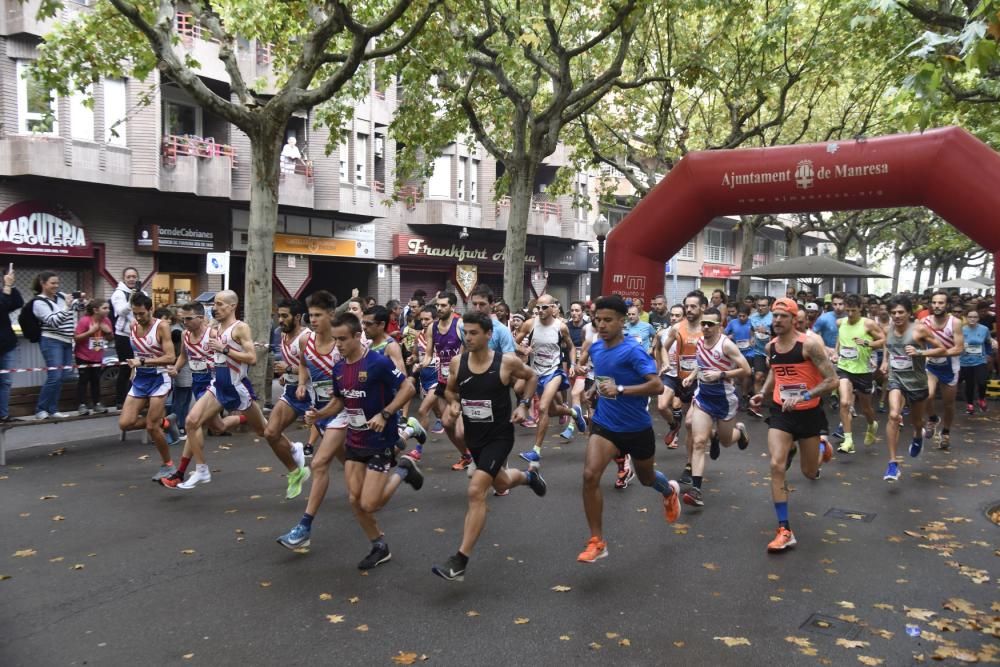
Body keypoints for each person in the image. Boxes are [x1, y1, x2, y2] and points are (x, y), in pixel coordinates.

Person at [431, 312, 547, 581]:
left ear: (488, 335)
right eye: (465, 333)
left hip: (499, 436)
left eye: (473, 333)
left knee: (475, 490)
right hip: (475, 436)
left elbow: (532, 377)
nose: (468, 337)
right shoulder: (458, 363)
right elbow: (449, 390)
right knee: (503, 483)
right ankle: (529, 476)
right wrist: (454, 403)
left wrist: (523, 404)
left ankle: (459, 561)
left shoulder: (505, 362)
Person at [303, 312, 420, 570]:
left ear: (358, 336)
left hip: (380, 441)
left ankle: (403, 469)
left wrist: (385, 413)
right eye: (335, 340)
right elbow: (339, 401)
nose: (338, 345)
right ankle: (379, 545)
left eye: (343, 339)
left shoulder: (377, 363)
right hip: (355, 441)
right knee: (355, 500)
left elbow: (408, 388)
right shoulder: (339, 368)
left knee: (370, 503)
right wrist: (319, 414)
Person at [577, 295, 682, 563]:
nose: (601, 325)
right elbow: (605, 379)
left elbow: (657, 386)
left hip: (636, 428)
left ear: (622, 321)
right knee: (590, 476)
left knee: (647, 478)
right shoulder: (598, 348)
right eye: (598, 319)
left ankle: (669, 491)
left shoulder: (633, 351)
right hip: (606, 424)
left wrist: (621, 389)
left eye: (608, 320)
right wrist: (593, 389)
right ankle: (597, 541)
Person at [160, 291, 296, 493]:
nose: (216, 307)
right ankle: (201, 469)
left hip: (236, 387)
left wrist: (224, 350)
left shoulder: (240, 327)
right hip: (218, 385)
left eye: (220, 304)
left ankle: (294, 450)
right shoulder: (215, 328)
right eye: (214, 304)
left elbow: (251, 358)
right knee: (192, 421)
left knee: (265, 432)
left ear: (232, 306)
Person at [749, 298, 838, 552]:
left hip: (808, 413)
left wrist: (805, 395)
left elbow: (832, 380)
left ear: (793, 318)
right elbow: (775, 372)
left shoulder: (809, 344)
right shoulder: (771, 347)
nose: (776, 320)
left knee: (810, 472)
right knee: (777, 464)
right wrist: (763, 394)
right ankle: (784, 529)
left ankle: (821, 447)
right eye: (774, 316)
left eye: (782, 316)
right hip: (781, 412)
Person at [277, 291, 352, 550]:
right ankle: (380, 482)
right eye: (311, 315)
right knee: (349, 463)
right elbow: (303, 364)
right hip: (318, 410)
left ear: (332, 315)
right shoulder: (304, 342)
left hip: (341, 411)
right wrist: (300, 383)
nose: (313, 320)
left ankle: (304, 527)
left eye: (319, 315)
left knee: (320, 463)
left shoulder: (342, 345)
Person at [679, 307, 751, 508]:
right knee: (699, 441)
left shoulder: (726, 345)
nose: (706, 327)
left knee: (727, 441)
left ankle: (740, 432)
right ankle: (696, 490)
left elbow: (746, 369)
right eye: (703, 323)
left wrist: (721, 375)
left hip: (725, 399)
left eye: (710, 324)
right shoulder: (701, 341)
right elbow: (700, 363)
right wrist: (692, 377)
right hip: (704, 398)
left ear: (720, 325)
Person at [881, 296, 947, 482]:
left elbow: (941, 349)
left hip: (917, 382)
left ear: (909, 312)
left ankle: (918, 435)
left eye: (901, 312)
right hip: (896, 379)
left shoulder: (919, 330)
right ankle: (893, 464)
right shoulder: (888, 329)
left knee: (916, 422)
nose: (897, 316)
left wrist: (920, 352)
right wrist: (885, 361)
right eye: (893, 313)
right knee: (894, 415)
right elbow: (888, 345)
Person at [116, 293, 179, 481]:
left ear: (150, 309)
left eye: (142, 313)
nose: (138, 317)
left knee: (152, 427)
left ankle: (168, 465)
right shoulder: (133, 326)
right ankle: (167, 423)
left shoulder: (162, 326)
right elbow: (137, 353)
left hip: (159, 378)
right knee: (125, 424)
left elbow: (170, 357)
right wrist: (134, 368)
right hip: (141, 379)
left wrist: (143, 361)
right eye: (135, 314)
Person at [515, 294, 585, 463]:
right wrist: (522, 349)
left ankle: (536, 451)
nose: (540, 311)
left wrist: (574, 363)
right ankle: (574, 412)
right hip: (536, 373)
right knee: (553, 410)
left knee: (544, 407)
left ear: (553, 308)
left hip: (554, 372)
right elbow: (512, 342)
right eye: (538, 307)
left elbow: (570, 347)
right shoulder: (530, 324)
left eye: (544, 307)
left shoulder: (560, 327)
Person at [169, 301, 246, 439]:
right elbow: (183, 356)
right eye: (183, 319)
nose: (185, 322)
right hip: (197, 381)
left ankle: (193, 459)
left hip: (213, 382)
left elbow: (232, 356)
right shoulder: (184, 335)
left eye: (188, 318)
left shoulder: (213, 334)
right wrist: (176, 369)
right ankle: (247, 417)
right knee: (218, 427)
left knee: (193, 421)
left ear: (201, 318)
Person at [655, 292, 705, 485]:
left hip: (697, 381)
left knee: (691, 423)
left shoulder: (707, 328)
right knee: (662, 406)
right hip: (677, 376)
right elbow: (663, 348)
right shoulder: (677, 328)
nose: (689, 310)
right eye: (687, 306)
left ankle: (690, 465)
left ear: (701, 308)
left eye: (693, 306)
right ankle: (674, 425)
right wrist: (665, 363)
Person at [420, 292, 471, 470]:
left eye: (443, 305)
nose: (439, 308)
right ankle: (466, 455)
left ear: (452, 307)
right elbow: (428, 355)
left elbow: (469, 352)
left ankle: (478, 454)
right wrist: (419, 365)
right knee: (447, 423)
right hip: (443, 381)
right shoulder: (432, 328)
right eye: (438, 305)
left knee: (460, 430)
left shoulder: (460, 325)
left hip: (461, 382)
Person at [262, 298, 313, 474]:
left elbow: (315, 369)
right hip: (292, 392)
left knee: (337, 449)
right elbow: (293, 364)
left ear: (297, 317)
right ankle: (296, 472)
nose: (280, 320)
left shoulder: (306, 338)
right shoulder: (282, 334)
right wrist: (286, 374)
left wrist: (289, 369)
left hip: (313, 395)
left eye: (285, 316)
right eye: (279, 316)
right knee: (270, 433)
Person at [833, 294, 886, 454]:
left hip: (863, 371)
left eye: (853, 310)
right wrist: (836, 352)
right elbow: (840, 338)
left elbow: (883, 340)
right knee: (844, 403)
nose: (849, 314)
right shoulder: (840, 322)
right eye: (847, 310)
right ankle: (848, 440)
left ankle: (871, 425)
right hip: (844, 368)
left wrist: (868, 343)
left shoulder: (868, 324)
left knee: (866, 408)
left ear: (860, 309)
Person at [31, 271, 86, 419]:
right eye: (52, 283)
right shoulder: (38, 302)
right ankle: (40, 409)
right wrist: (67, 307)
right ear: (43, 283)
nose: (56, 286)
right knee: (54, 376)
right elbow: (53, 321)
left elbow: (79, 308)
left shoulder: (62, 296)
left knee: (62, 376)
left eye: (57, 283)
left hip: (67, 341)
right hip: (51, 340)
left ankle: (53, 409)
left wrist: (81, 301)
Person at [922, 291, 965, 450]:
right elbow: (919, 342)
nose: (937, 306)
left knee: (948, 404)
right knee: (927, 394)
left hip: (949, 366)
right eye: (934, 302)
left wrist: (940, 352)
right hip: (931, 365)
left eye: (941, 303)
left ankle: (946, 432)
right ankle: (933, 418)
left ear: (947, 305)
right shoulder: (924, 321)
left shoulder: (955, 322)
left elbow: (959, 348)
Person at [653, 304, 685, 454]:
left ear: (684, 317)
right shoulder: (662, 333)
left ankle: (675, 436)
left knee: (677, 404)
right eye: (672, 315)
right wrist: (659, 367)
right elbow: (658, 349)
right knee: (661, 406)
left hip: (684, 376)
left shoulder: (687, 333)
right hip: (669, 374)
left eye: (678, 315)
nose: (673, 318)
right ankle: (674, 425)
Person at [111, 267, 145, 409]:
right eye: (128, 277)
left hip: (140, 335)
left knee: (139, 368)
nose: (131, 279)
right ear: (124, 278)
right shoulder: (118, 293)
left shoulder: (142, 292)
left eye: (134, 276)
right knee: (125, 368)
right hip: (124, 335)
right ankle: (120, 401)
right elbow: (120, 311)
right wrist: (131, 298)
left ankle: (137, 399)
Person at [73, 299, 113, 415]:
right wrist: (91, 332)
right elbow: (76, 338)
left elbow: (110, 339)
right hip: (83, 355)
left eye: (108, 308)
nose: (108, 310)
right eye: (104, 308)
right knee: (83, 380)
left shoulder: (106, 321)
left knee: (96, 380)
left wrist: (108, 332)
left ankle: (97, 403)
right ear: (95, 310)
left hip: (97, 356)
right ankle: (82, 404)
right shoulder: (85, 321)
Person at [724, 304, 757, 416]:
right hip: (736, 352)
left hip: (749, 352)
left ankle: (744, 396)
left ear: (748, 315)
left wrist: (753, 338)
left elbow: (756, 334)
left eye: (744, 316)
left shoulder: (752, 322)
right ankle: (731, 396)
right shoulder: (733, 322)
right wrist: (729, 337)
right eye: (739, 316)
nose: (741, 318)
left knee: (746, 374)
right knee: (734, 375)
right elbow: (724, 334)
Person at [0, 267, 23, 422]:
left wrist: (12, 286)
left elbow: (17, 303)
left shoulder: (3, 293)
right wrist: (7, 288)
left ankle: (3, 414)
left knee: (6, 381)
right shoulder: (3, 293)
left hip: (7, 344)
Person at [960, 307, 990, 415]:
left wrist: (991, 349)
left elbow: (988, 341)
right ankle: (970, 404)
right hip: (965, 360)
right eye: (970, 317)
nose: (972, 319)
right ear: (966, 318)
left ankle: (981, 399)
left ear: (978, 318)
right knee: (969, 384)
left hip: (980, 360)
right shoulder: (961, 329)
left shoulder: (984, 329)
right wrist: (961, 346)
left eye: (975, 317)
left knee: (982, 381)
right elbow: (956, 343)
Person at [749, 296, 773, 396]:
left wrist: (767, 332)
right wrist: (751, 337)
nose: (760, 308)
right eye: (758, 305)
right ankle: (756, 404)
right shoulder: (752, 317)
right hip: (758, 351)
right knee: (758, 376)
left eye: (763, 306)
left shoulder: (775, 317)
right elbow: (751, 330)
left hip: (773, 351)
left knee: (773, 377)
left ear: (769, 307)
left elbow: (779, 334)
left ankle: (775, 401)